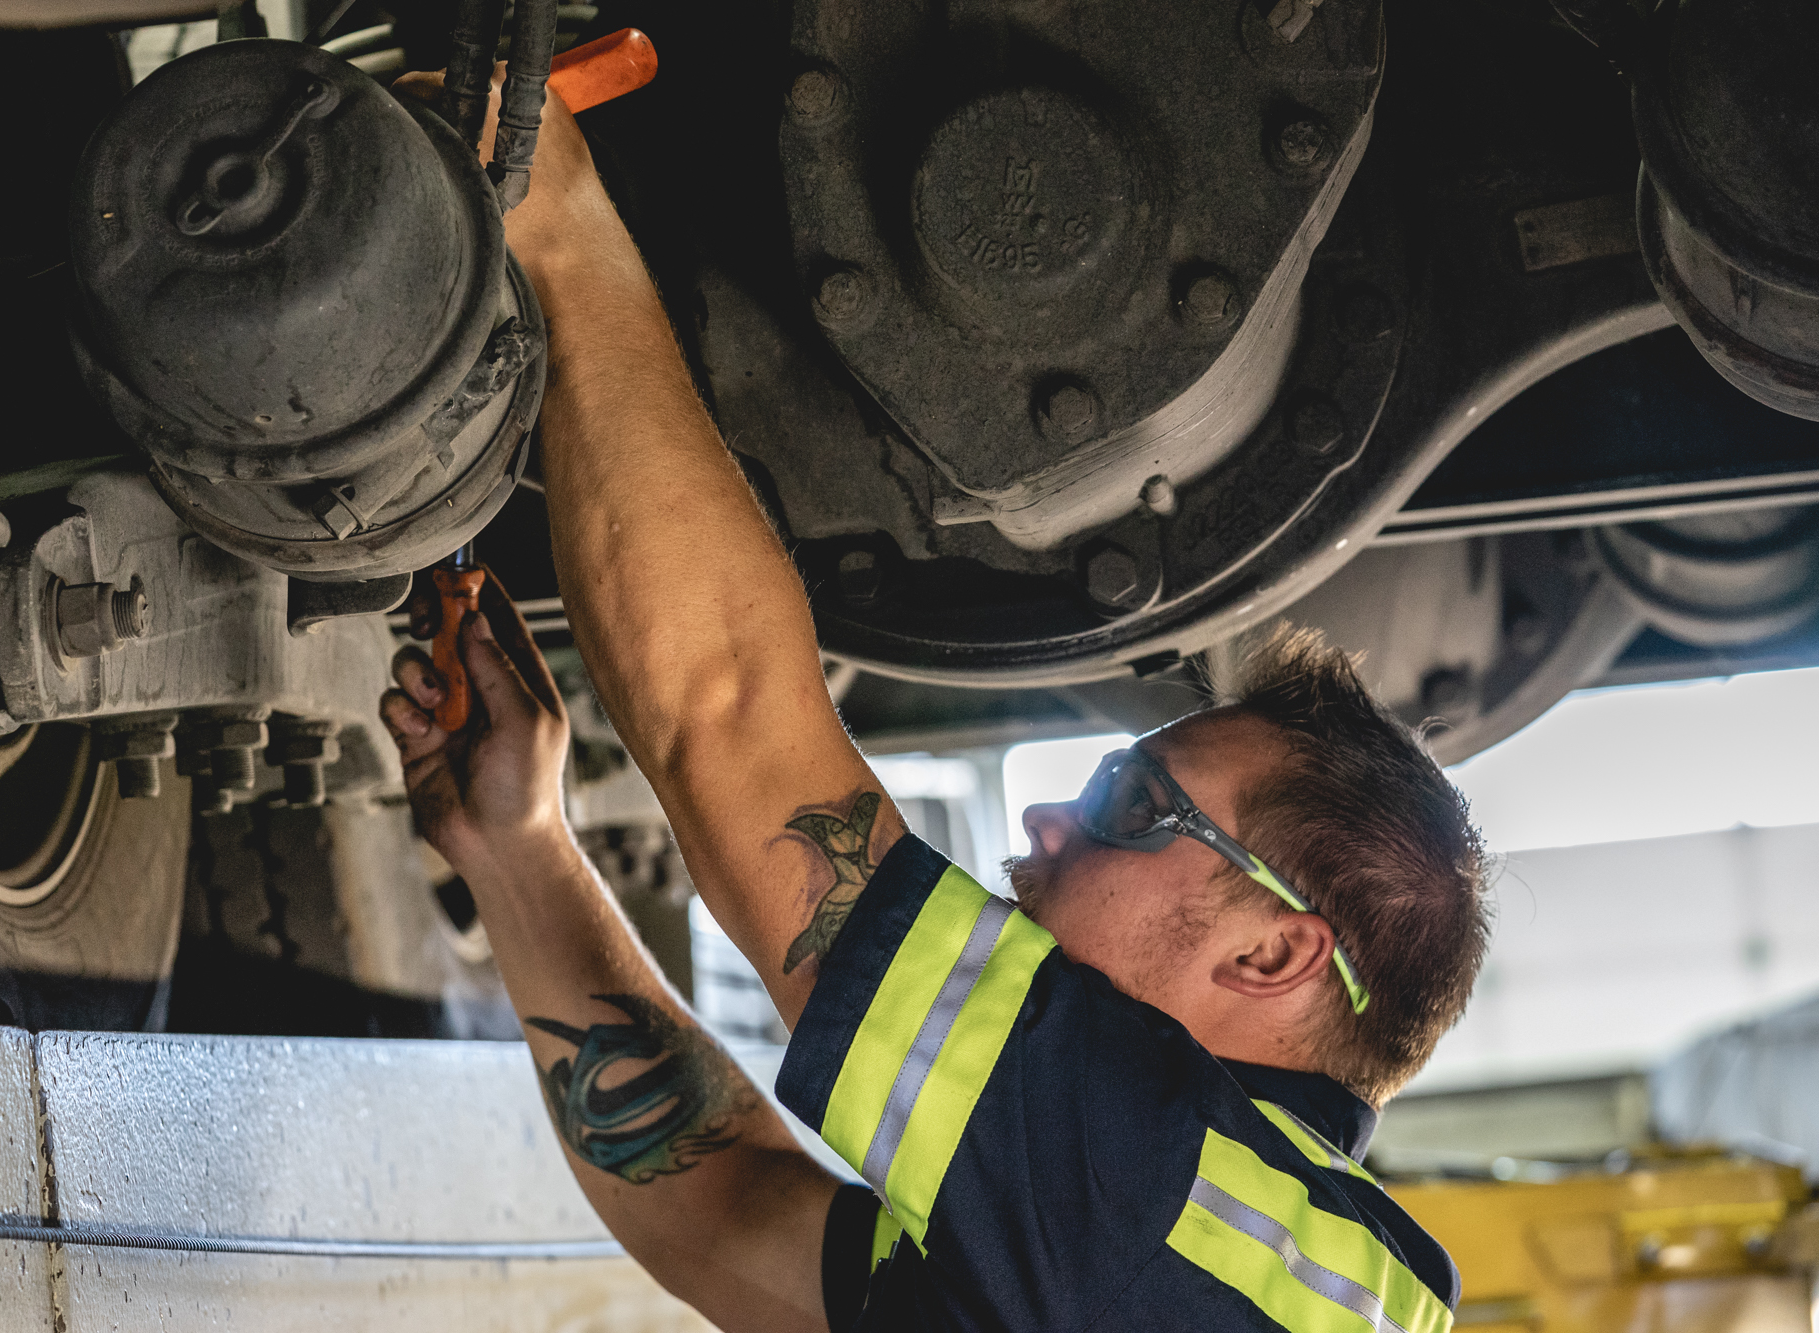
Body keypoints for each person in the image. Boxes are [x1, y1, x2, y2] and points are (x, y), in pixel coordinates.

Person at [381, 66, 1492, 1333]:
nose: (1043, 829)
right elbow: (727, 1209)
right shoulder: (1193, 1258)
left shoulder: (1165, 1210)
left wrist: (552, 214)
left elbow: (728, 713)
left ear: (1271, 948)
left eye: (1133, 805)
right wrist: (519, 850)